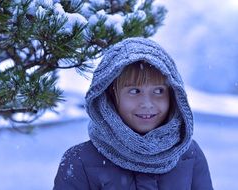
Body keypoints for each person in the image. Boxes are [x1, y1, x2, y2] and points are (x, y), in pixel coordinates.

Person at [53, 37, 213, 189]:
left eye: (158, 91)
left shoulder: (190, 155)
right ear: (111, 96)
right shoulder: (79, 161)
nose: (147, 104)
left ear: (173, 96)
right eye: (134, 91)